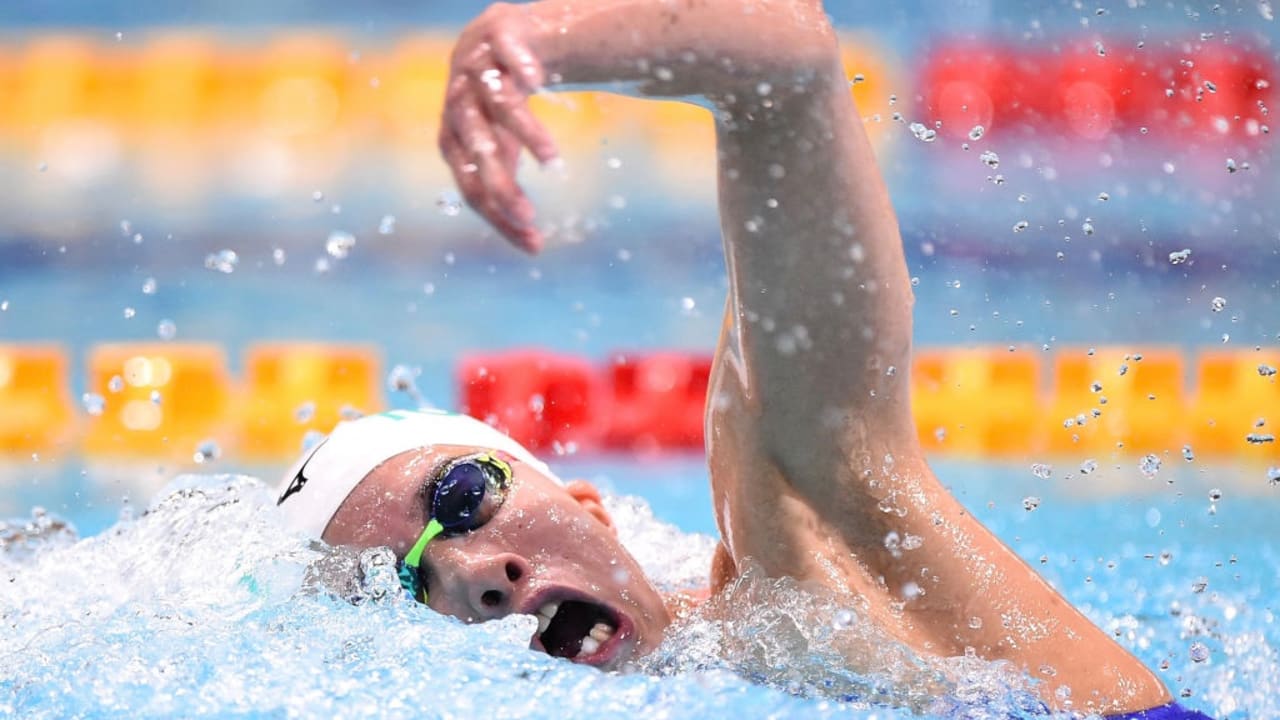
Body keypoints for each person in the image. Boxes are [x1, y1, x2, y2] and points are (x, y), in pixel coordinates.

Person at [275, 2, 1210, 717]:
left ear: (586, 498)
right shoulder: (746, 664)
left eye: (461, 499)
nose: (477, 575)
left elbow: (787, 59)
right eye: (406, 584)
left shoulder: (799, 543)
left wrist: (533, 36)